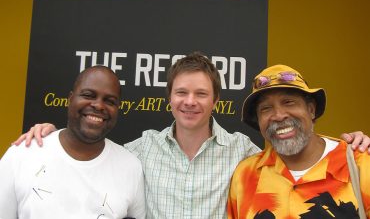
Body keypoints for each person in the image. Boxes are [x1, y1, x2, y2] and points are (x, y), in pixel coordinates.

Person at [12, 53, 370, 218]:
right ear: (168, 98)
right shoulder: (138, 151)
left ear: (216, 100)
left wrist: (350, 143)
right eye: (182, 92)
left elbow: (302, 150)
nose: (190, 102)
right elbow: (90, 150)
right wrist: (47, 135)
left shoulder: (245, 156)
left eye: (201, 94)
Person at [0, 66, 146, 219]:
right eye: (89, 95)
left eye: (109, 101)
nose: (98, 105)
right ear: (70, 99)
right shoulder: (23, 154)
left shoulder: (131, 168)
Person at [227, 64, 370, 218]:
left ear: (311, 109)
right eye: (266, 108)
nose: (279, 115)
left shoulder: (359, 164)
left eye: (288, 102)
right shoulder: (246, 175)